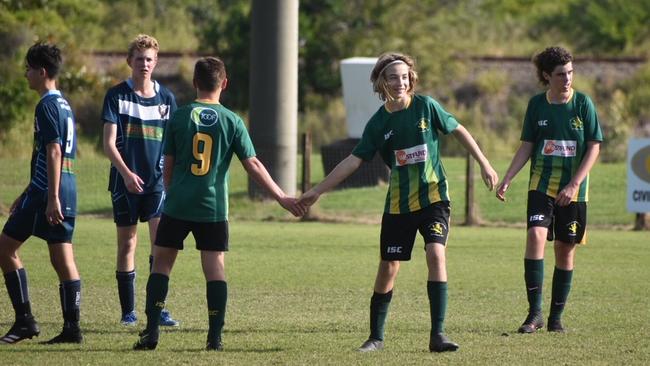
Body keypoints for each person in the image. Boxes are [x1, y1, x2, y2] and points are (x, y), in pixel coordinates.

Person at [299, 52, 498, 353]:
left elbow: (458, 130)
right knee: (389, 267)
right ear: (382, 82)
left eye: (405, 76)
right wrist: (317, 191)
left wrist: (484, 162)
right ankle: (376, 337)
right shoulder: (379, 123)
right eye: (393, 77)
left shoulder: (426, 107)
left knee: (436, 254)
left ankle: (438, 335)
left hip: (434, 197)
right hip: (399, 205)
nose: (401, 81)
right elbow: (353, 161)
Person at [133, 56, 306, 351]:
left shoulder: (180, 116)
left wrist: (174, 193)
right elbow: (252, 163)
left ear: (194, 83)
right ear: (224, 84)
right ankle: (214, 337)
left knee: (161, 264)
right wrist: (281, 197)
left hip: (177, 206)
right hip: (212, 208)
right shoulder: (232, 120)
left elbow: (169, 164)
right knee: (215, 269)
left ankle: (150, 333)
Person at [496, 46, 603, 334]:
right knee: (535, 236)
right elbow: (527, 146)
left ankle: (556, 319)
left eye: (570, 72)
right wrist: (508, 178)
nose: (567, 79)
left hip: (574, 190)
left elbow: (594, 146)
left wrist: (574, 183)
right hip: (541, 184)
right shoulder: (536, 105)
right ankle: (535, 314)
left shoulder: (583, 104)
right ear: (547, 76)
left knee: (565, 250)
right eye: (560, 74)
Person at [0, 42, 83, 344]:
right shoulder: (64, 105)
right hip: (64, 187)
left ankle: (25, 321)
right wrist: (28, 190)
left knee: (5, 248)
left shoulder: (46, 105)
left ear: (42, 71)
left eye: (29, 69)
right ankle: (72, 329)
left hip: (49, 192)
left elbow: (53, 150)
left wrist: (50, 197)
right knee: (62, 258)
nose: (25, 74)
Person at [102, 34, 179, 327]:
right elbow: (109, 144)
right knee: (127, 244)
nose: (144, 64)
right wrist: (126, 173)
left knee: (160, 247)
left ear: (156, 62)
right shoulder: (116, 96)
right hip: (124, 183)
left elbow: (172, 145)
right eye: (139, 59)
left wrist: (169, 179)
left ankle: (157, 309)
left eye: (149, 59)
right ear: (129, 61)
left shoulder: (167, 98)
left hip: (156, 185)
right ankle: (128, 312)